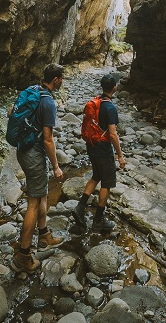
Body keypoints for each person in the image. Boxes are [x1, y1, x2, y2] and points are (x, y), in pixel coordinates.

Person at [12, 63, 65, 273]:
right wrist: (56, 167)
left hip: (23, 150)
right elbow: (48, 140)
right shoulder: (48, 102)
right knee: (33, 203)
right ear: (56, 80)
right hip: (34, 154)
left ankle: (43, 235)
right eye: (62, 78)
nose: (62, 81)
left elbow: (11, 112)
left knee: (41, 195)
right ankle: (23, 256)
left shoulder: (32, 91)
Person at [72, 73, 125, 232]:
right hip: (103, 147)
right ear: (114, 88)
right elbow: (113, 133)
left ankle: (80, 208)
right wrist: (120, 155)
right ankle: (98, 220)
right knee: (107, 183)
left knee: (96, 176)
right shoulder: (110, 107)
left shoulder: (96, 102)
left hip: (91, 144)